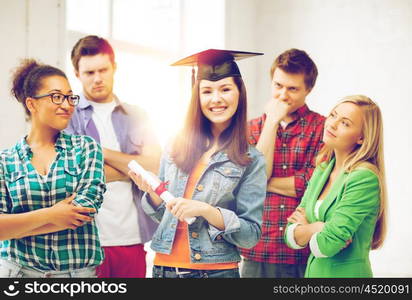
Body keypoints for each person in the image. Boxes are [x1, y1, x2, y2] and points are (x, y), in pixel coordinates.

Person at [129, 49, 267, 278]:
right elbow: (165, 216)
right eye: (207, 91)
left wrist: (206, 210)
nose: (216, 99)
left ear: (239, 93)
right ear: (197, 96)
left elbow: (250, 235)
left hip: (214, 274)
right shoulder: (175, 145)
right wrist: (152, 193)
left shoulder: (251, 159)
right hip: (164, 270)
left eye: (225, 89)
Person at [66, 35, 161, 278]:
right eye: (89, 72)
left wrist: (99, 152)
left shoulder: (138, 115)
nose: (97, 78)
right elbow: (73, 176)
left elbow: (154, 165)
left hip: (132, 237)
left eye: (103, 70)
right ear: (77, 74)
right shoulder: (67, 116)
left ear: (114, 68)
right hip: (85, 242)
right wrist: (134, 167)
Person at [0, 59, 106, 278]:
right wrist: (52, 214)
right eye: (57, 96)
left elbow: (82, 212)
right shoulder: (5, 160)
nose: (67, 105)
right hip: (17, 273)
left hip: (77, 277)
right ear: (32, 104)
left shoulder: (86, 148)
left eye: (70, 97)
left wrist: (15, 228)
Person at [240, 48, 325, 278]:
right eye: (278, 86)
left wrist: (260, 182)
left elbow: (312, 184)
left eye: (292, 89)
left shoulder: (323, 128)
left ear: (309, 89)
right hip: (257, 248)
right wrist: (272, 123)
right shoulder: (251, 128)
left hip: (300, 250)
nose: (283, 96)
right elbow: (250, 181)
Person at [285, 95, 387, 278]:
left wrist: (307, 228)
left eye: (345, 123)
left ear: (362, 138)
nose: (331, 124)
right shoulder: (322, 170)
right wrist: (318, 227)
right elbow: (290, 235)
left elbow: (328, 245)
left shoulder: (364, 177)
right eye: (333, 115)